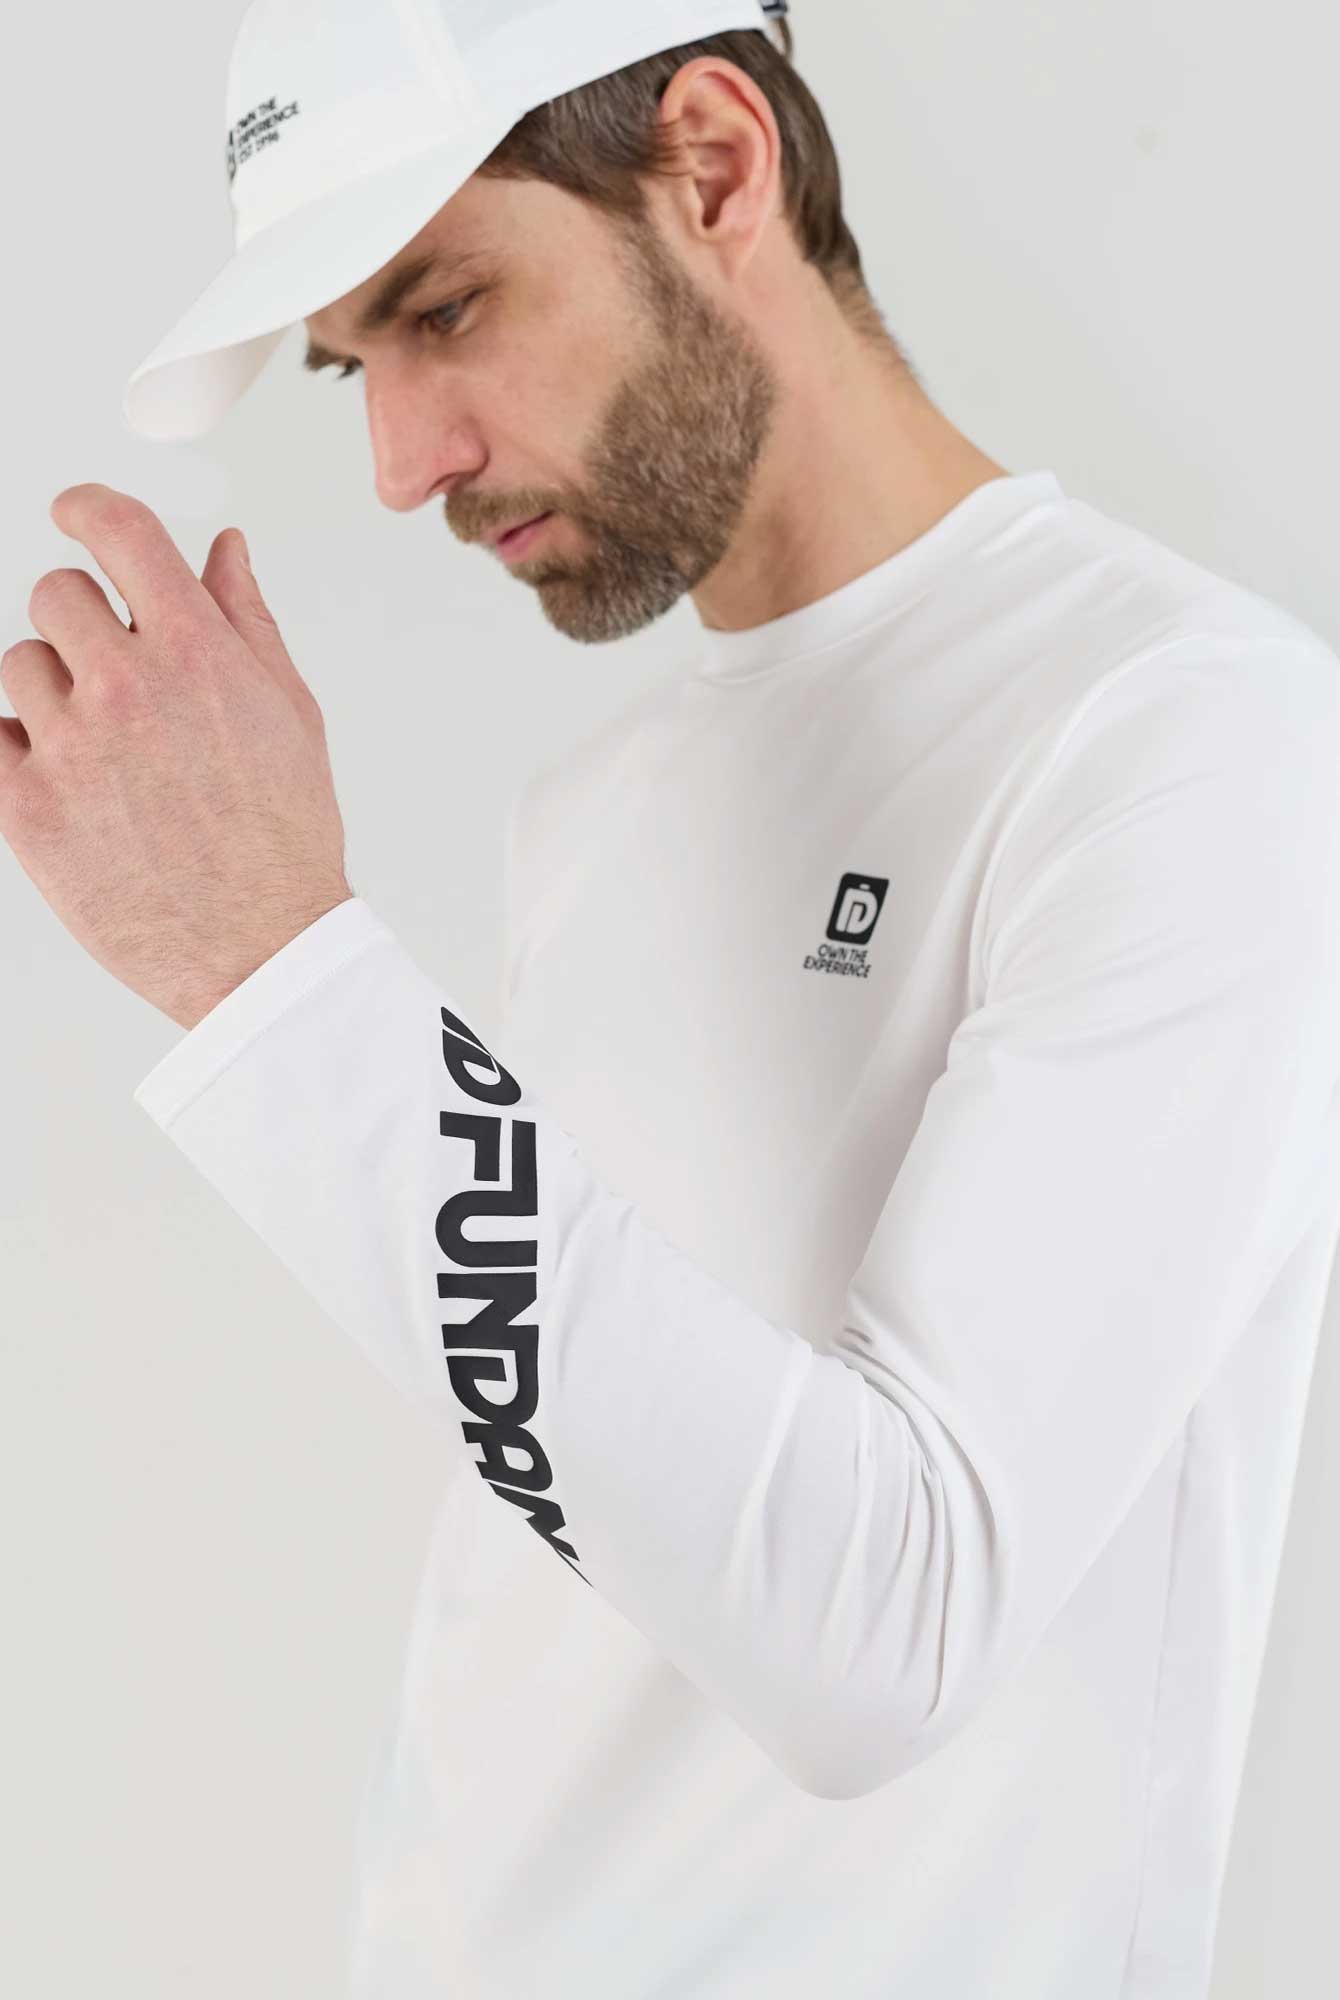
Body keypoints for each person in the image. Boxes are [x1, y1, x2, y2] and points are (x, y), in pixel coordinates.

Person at [118, 4, 1340, 1994]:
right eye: (352, 367)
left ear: (713, 163)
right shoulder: (594, 810)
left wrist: (275, 970)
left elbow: (888, 1627)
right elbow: (553, 1548)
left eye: (444, 307)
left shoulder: (1184, 734)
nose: (403, 462)